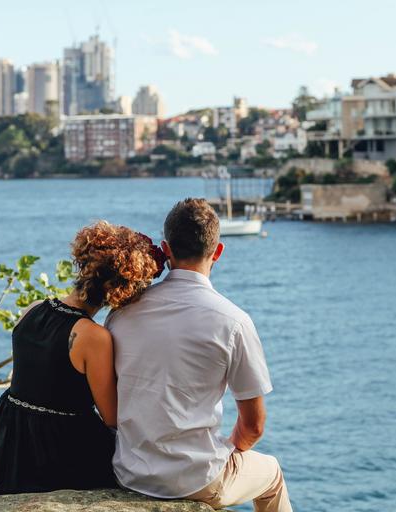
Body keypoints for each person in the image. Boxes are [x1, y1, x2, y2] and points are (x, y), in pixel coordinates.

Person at [107, 198, 292, 512]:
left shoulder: (121, 313)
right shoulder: (233, 322)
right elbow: (254, 427)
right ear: (217, 251)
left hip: (130, 472)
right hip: (195, 479)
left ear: (166, 249)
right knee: (272, 473)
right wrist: (229, 452)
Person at [0, 221, 163, 495]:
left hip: (10, 449)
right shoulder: (93, 337)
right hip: (57, 452)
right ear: (120, 289)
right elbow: (112, 417)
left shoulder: (32, 309)